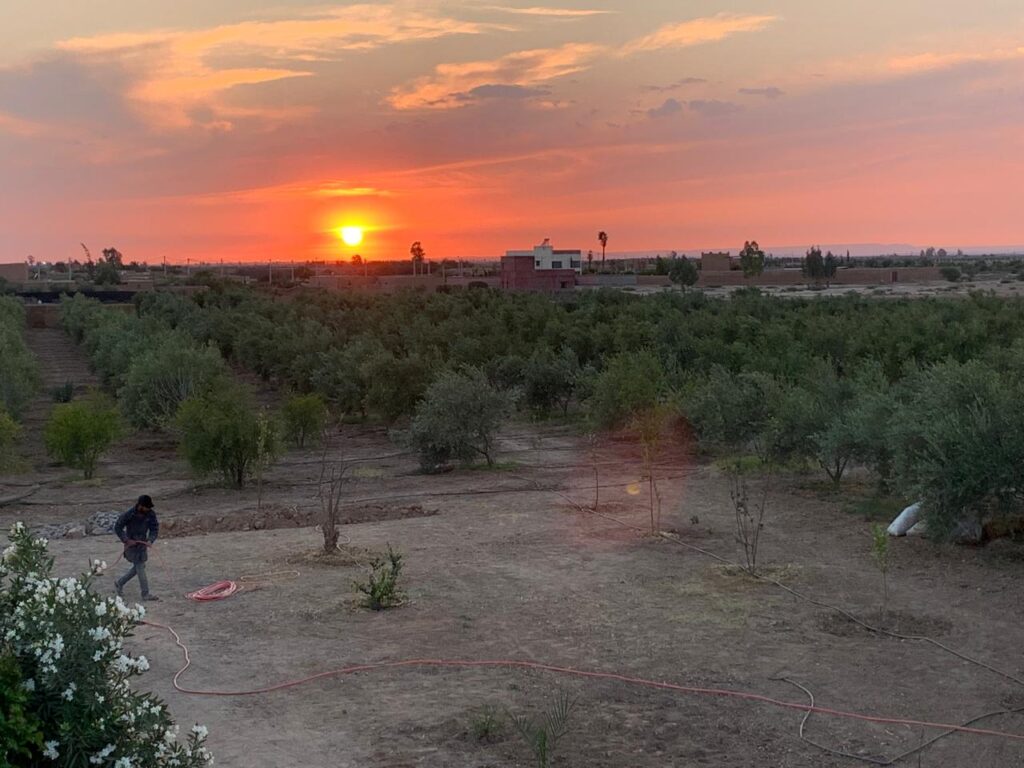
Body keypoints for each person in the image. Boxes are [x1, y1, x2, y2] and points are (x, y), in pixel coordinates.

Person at [114, 494, 160, 601]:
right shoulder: (129, 514)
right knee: (140, 567)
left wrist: (150, 540)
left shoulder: (151, 514)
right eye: (146, 507)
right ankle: (145, 594)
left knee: (140, 567)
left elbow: (154, 529)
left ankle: (119, 583)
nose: (148, 509)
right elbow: (118, 527)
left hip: (142, 545)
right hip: (131, 546)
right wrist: (126, 540)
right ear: (140, 506)